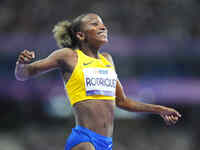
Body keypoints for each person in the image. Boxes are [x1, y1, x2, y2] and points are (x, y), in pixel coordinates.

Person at [15, 13, 181, 150]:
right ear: (81, 35)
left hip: (106, 143)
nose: (103, 27)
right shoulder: (68, 56)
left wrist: (160, 110)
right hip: (84, 140)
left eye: (103, 24)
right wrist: (21, 64)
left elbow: (122, 102)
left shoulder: (107, 60)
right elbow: (24, 74)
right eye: (95, 24)